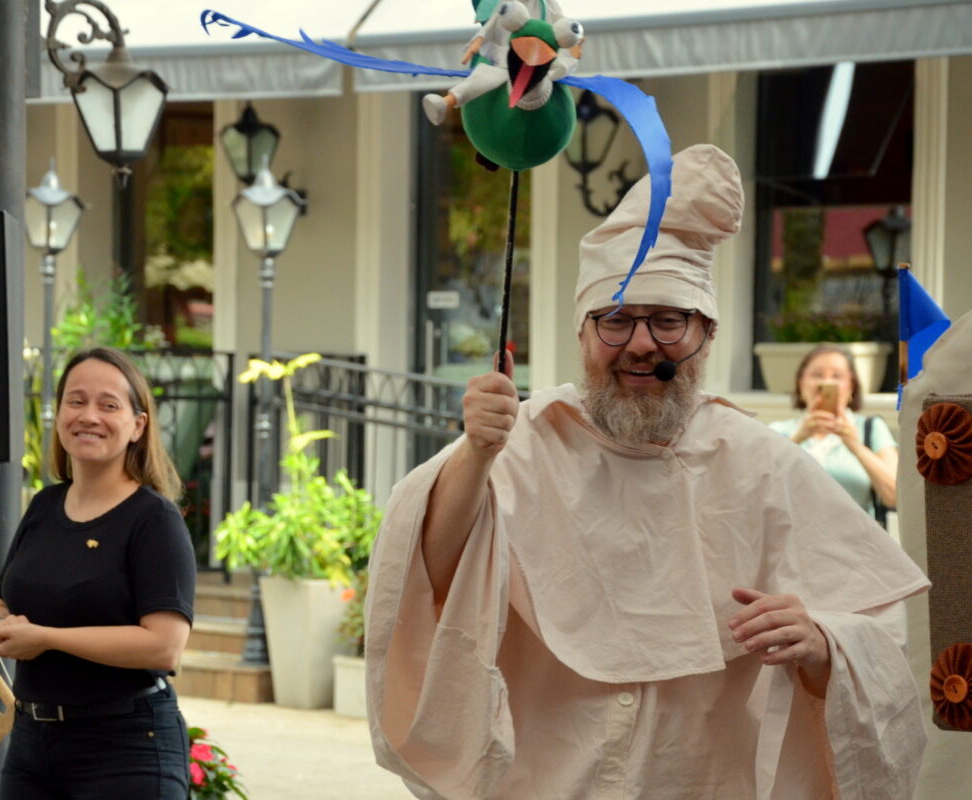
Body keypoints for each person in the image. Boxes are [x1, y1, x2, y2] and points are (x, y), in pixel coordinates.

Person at [364, 145, 930, 799]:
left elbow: (885, 630)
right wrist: (476, 453)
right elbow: (430, 573)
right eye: (618, 320)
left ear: (706, 335)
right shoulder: (524, 443)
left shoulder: (760, 463)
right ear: (582, 335)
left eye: (668, 320)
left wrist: (824, 640)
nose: (642, 343)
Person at [0, 347, 196, 800]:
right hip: (31, 747)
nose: (89, 416)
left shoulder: (154, 519)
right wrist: (6, 629)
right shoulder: (43, 506)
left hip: (125, 748)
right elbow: (1, 607)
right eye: (75, 401)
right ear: (58, 415)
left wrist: (47, 638)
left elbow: (165, 646)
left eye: (109, 405)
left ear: (137, 425)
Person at [768, 344, 898, 520]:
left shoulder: (871, 428)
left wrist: (855, 446)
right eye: (817, 375)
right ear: (801, 383)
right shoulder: (778, 432)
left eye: (837, 376)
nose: (827, 382)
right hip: (790, 543)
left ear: (851, 386)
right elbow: (754, 487)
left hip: (855, 542)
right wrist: (797, 439)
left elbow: (896, 496)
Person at [421, 0, 585, 125]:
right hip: (508, 58)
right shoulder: (509, 5)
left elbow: (561, 20)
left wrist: (574, 41)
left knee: (554, 71)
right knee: (482, 77)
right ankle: (445, 102)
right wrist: (478, 41)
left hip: (540, 59)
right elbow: (491, 24)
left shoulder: (546, 4)